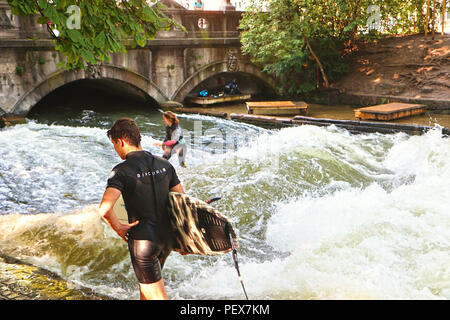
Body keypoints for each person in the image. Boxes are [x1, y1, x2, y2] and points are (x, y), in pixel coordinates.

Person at [99, 118, 184, 300]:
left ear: (120, 141)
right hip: (166, 239)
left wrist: (118, 227)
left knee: (157, 296)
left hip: (144, 242)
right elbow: (182, 202)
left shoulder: (121, 171)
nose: (115, 149)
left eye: (114, 144)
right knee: (147, 292)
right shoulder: (165, 164)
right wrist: (184, 238)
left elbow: (105, 209)